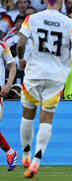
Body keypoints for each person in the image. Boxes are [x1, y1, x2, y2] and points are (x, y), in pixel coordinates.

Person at [16, 0, 72, 178]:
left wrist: (21, 59)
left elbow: (20, 43)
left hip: (34, 73)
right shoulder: (69, 22)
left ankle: (26, 155)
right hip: (56, 77)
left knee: (27, 115)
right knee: (47, 119)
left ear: (46, 0)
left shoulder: (33, 18)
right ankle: (37, 161)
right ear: (61, 1)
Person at [0, 41, 17, 171]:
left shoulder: (2, 46)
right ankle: (9, 151)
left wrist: (8, 84)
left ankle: (9, 151)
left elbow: (12, 66)